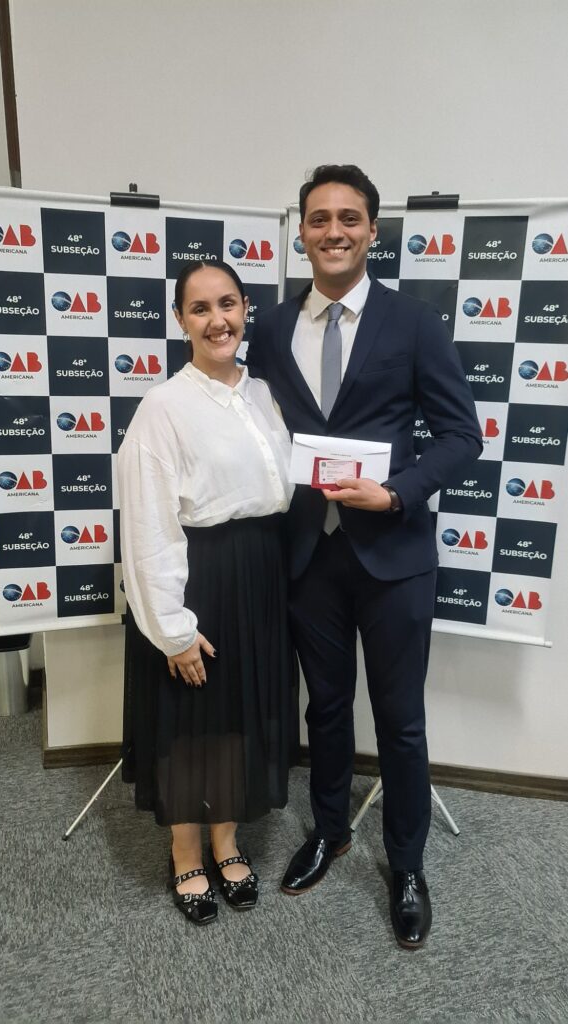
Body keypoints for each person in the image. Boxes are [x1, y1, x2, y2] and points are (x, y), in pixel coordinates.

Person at [247, 164, 483, 949]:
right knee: (323, 708)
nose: (333, 231)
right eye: (318, 218)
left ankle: (406, 865)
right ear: (301, 232)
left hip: (393, 556)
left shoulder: (413, 323)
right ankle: (329, 831)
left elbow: (461, 436)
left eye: (348, 218)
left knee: (400, 722)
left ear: (372, 231)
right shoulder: (271, 327)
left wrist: (397, 494)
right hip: (307, 554)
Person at [118, 260, 294, 925]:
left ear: (245, 308)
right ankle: (185, 851)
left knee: (238, 714)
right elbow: (147, 523)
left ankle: (226, 840)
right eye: (200, 308)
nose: (217, 320)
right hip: (201, 576)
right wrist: (173, 628)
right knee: (192, 719)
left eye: (227, 304)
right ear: (180, 320)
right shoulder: (164, 407)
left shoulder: (265, 394)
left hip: (262, 571)